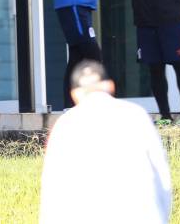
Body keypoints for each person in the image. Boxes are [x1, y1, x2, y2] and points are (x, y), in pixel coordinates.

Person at [40, 60, 172, 223]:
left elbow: (52, 192)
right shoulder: (136, 115)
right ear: (110, 86)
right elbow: (163, 180)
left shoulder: (64, 124)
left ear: (74, 94)